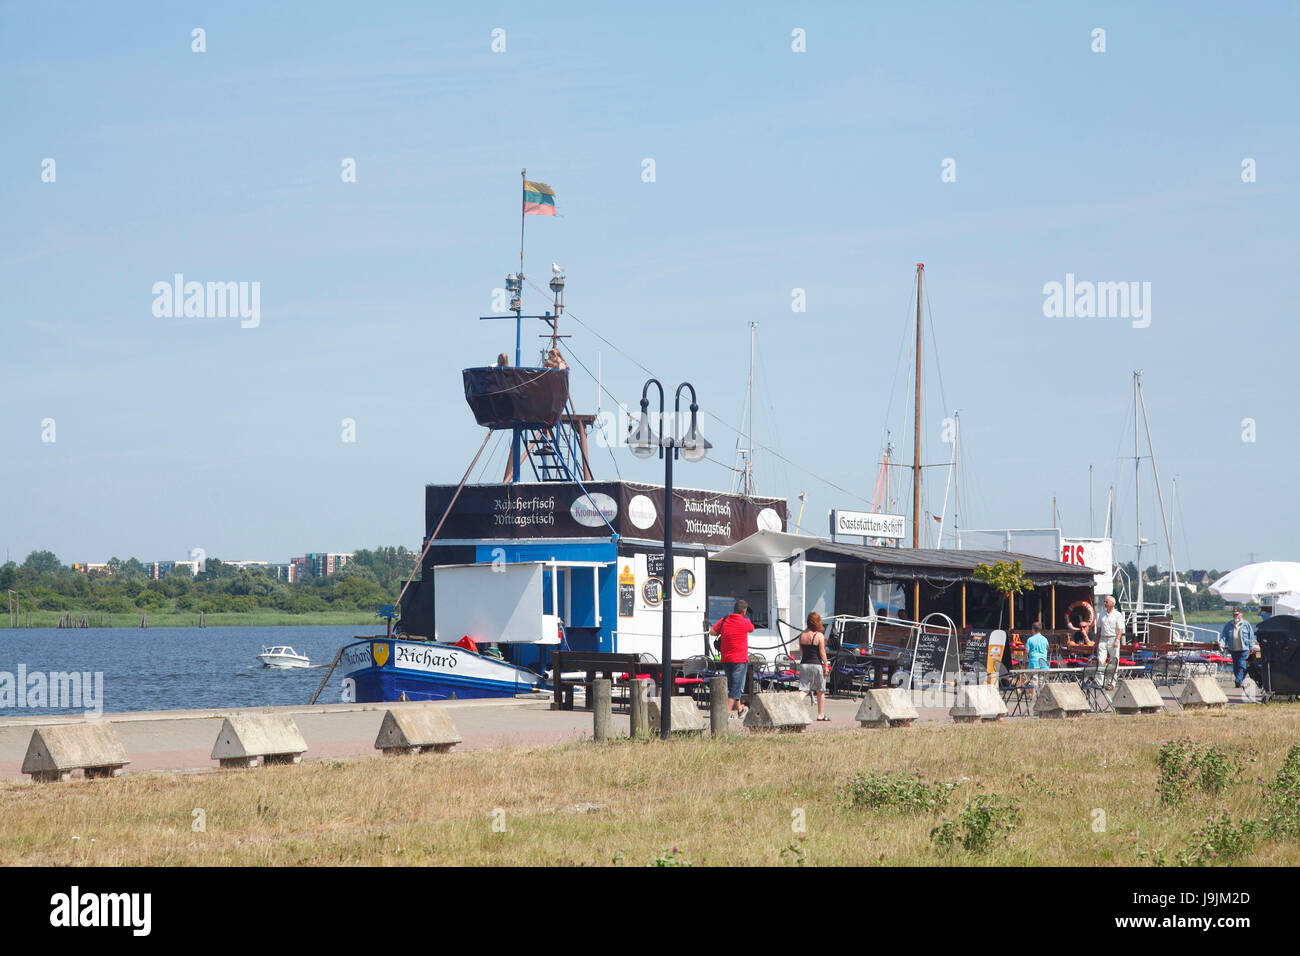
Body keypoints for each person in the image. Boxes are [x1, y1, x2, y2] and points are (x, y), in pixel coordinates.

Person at [711, 600, 754, 718]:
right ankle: (727, 712)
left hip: (726, 659)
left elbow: (712, 632)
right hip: (739, 659)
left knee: (733, 684)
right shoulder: (745, 621)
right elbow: (751, 628)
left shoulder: (724, 620)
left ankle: (740, 709)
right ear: (744, 611)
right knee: (736, 687)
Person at [798, 612, 832, 721]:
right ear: (817, 622)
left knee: (804, 689)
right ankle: (820, 714)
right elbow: (822, 653)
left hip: (804, 664)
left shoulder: (802, 635)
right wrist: (826, 666)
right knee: (820, 690)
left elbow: (802, 652)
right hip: (815, 664)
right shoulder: (819, 636)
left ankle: (793, 707)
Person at [1219, 607, 1258, 687]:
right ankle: (1239, 681)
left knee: (1241, 664)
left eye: (1237, 614)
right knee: (1236, 666)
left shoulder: (1246, 624)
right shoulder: (1228, 625)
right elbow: (1223, 636)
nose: (1235, 616)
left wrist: (1251, 648)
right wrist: (1221, 645)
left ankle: (1238, 680)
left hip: (1244, 648)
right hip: (1233, 649)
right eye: (1234, 614)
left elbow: (1251, 637)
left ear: (1240, 614)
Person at [1092, 595, 1125, 681]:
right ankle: (1100, 681)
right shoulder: (1102, 614)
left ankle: (1111, 682)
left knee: (1114, 661)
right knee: (1101, 660)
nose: (1104, 603)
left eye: (1106, 602)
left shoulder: (1117, 614)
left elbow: (1120, 629)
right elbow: (1099, 628)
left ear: (1112, 604)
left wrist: (1117, 640)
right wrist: (1097, 641)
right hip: (1103, 639)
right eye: (1105, 602)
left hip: (1113, 638)